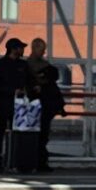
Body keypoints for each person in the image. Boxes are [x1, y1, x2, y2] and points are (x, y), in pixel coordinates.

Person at [0, 37, 31, 170]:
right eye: (20, 48)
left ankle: (14, 160)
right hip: (2, 102)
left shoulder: (23, 65)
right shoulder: (0, 64)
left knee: (19, 133)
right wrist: (12, 91)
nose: (23, 50)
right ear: (13, 49)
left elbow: (30, 80)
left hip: (20, 104)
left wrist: (29, 89)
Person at [26, 38, 64, 172]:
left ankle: (34, 161)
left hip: (36, 104)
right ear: (35, 48)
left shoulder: (28, 66)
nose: (43, 52)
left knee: (37, 133)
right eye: (42, 50)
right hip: (43, 104)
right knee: (42, 134)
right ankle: (40, 162)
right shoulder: (45, 67)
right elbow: (53, 78)